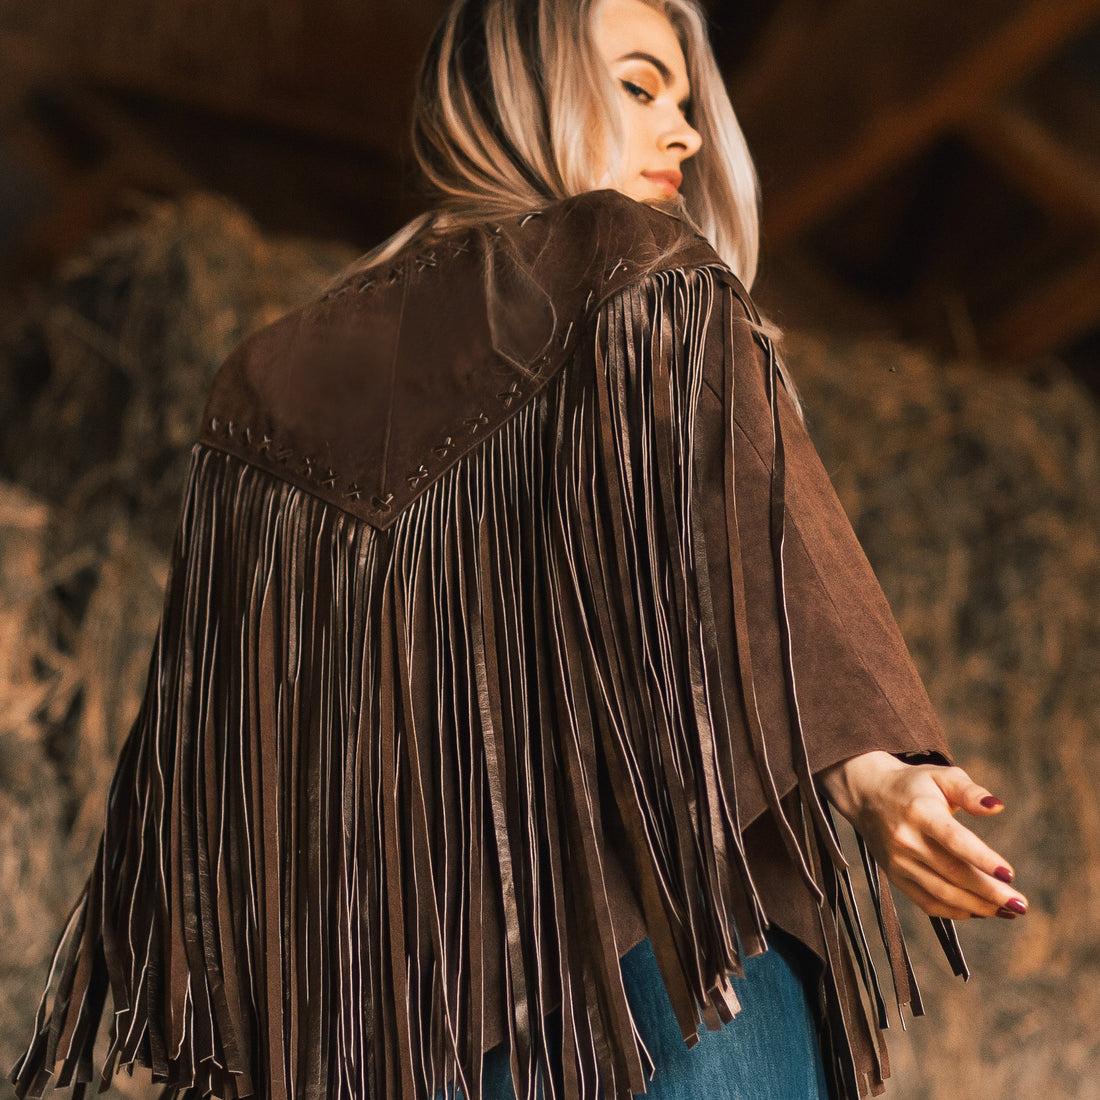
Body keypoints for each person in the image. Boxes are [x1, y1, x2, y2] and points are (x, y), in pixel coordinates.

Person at [10, 0, 1027, 1098]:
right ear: (515, 85)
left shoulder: (260, 394)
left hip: (403, 1034)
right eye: (639, 85)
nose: (685, 133)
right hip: (669, 975)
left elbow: (220, 770)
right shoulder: (633, 262)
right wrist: (877, 772)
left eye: (685, 102)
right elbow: (747, 531)